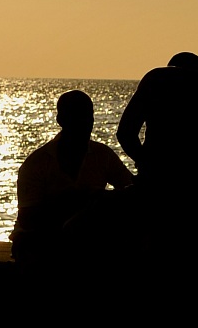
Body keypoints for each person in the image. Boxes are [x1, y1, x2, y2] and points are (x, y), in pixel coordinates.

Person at [117, 52, 198, 283]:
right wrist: (197, 175)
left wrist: (149, 164)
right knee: (188, 275)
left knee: (147, 270)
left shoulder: (157, 80)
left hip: (155, 196)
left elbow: (125, 133)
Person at [10, 89, 134, 267]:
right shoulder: (37, 162)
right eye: (76, 116)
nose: (84, 123)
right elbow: (28, 219)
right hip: (38, 239)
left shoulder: (103, 155)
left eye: (88, 116)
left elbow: (131, 190)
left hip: (84, 239)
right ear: (60, 120)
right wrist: (73, 201)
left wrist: (101, 200)